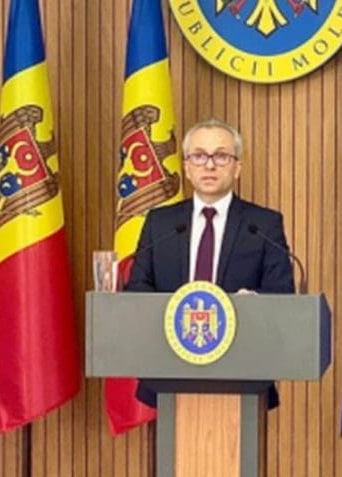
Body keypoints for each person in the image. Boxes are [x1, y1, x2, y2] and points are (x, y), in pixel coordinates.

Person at [125, 117, 295, 407]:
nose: (209, 165)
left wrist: (253, 304)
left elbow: (282, 295)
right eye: (199, 156)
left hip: (243, 372)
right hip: (168, 371)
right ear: (187, 167)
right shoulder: (160, 224)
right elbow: (138, 288)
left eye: (221, 156)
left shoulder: (263, 224)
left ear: (237, 167)